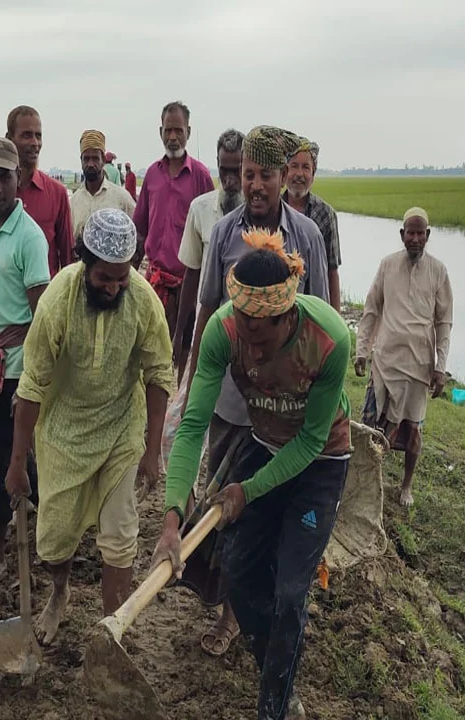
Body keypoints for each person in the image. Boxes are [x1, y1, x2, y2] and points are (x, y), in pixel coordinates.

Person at [156, 238, 352, 720]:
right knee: (239, 575)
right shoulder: (223, 332)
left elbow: (309, 443)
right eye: (245, 333)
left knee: (289, 592)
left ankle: (275, 707)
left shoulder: (328, 340)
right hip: (263, 446)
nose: (253, 349)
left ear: (288, 318)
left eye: (262, 338)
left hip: (321, 461)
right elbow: (193, 426)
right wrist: (171, 518)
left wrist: (249, 490)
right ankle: (278, 678)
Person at [180, 125, 330, 661]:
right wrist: (195, 371)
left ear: (285, 176)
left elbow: (322, 321)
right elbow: (206, 310)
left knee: (272, 500)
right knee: (224, 502)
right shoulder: (223, 233)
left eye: (267, 175)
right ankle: (229, 609)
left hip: (286, 409)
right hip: (231, 400)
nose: (257, 185)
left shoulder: (306, 236)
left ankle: (254, 611)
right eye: (249, 175)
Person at [6, 207, 173, 644]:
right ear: (85, 262)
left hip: (121, 426)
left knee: (119, 535)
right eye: (105, 279)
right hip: (63, 431)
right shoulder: (57, 300)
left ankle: (110, 633)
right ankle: (59, 592)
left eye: (122, 277)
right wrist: (17, 460)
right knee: (55, 538)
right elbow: (31, 385)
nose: (115, 287)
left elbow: (159, 375)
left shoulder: (142, 300)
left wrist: (153, 451)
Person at [0, 137, 51, 586]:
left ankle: (0, 550)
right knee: (18, 457)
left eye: (4, 177)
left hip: (19, 366)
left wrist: (33, 380)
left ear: (18, 178)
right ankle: (42, 526)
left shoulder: (29, 238)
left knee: (1, 456)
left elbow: (43, 316)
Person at [354, 206, 453, 507]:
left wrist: (441, 366)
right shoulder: (387, 265)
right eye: (409, 233)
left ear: (428, 235)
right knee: (371, 425)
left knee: (412, 433)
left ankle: (406, 486)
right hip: (385, 361)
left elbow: (444, 321)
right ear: (402, 235)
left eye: (419, 233)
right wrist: (361, 350)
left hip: (419, 366)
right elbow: (371, 309)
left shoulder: (439, 271)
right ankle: (368, 480)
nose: (414, 238)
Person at [133, 100, 215, 337]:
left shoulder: (201, 176)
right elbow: (140, 229)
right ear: (160, 132)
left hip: (188, 285)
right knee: (151, 347)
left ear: (188, 132)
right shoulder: (151, 174)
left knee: (183, 349)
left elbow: (210, 233)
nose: (172, 137)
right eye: (167, 130)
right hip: (156, 283)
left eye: (178, 130)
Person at [172, 127, 245, 380]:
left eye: (237, 170)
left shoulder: (258, 213)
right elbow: (191, 275)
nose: (230, 179)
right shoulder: (200, 209)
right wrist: (180, 332)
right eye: (225, 170)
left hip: (247, 331)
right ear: (217, 165)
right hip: (208, 326)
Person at [3, 105, 75, 274]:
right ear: (9, 139)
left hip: (45, 297)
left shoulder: (57, 193)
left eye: (38, 136)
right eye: (26, 135)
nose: (35, 143)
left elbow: (68, 260)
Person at [283, 137, 342, 310]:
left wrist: (334, 319)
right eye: (294, 166)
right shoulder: (273, 209)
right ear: (284, 172)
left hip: (314, 305)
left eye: (306, 167)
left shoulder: (325, 214)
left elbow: (332, 270)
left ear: (313, 174)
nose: (299, 174)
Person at [70, 130, 136, 243]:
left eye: (95, 158)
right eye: (86, 159)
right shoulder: (73, 202)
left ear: (103, 161)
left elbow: (136, 234)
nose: (90, 164)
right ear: (81, 160)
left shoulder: (122, 198)